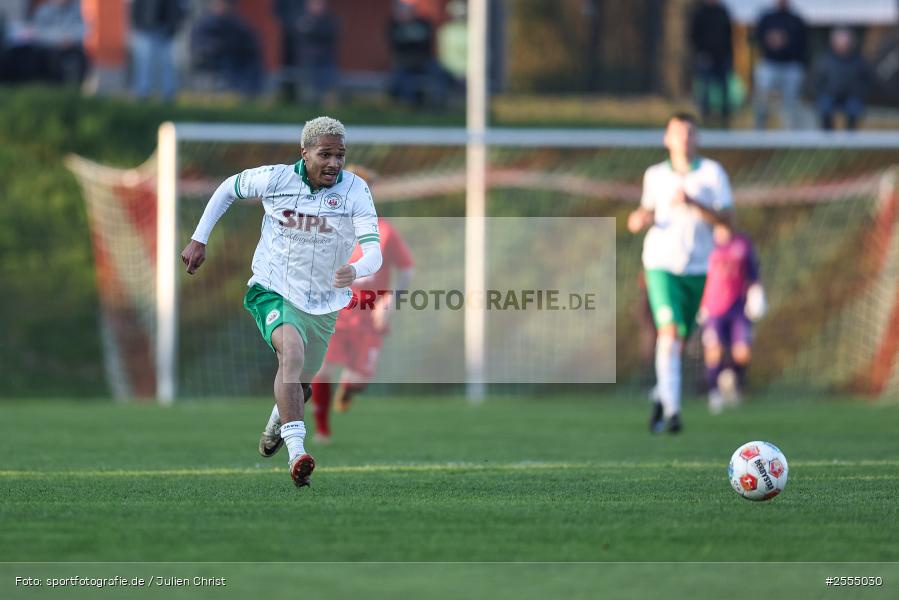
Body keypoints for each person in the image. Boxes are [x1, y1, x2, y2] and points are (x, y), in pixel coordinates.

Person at [180, 117, 383, 488]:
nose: (335, 163)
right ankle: (297, 454)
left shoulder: (355, 191)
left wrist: (355, 271)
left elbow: (374, 252)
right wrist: (199, 238)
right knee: (291, 354)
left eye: (340, 155)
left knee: (300, 379)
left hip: (324, 304)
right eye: (326, 154)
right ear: (304, 153)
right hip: (272, 289)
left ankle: (278, 419)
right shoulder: (275, 179)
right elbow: (228, 188)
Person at [627, 113, 733, 434]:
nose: (683, 139)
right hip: (660, 264)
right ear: (667, 139)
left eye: (689, 133)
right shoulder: (655, 175)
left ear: (697, 138)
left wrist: (694, 203)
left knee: (678, 341)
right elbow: (645, 211)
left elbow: (728, 221)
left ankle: (662, 395)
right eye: (677, 133)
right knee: (669, 333)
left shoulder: (713, 174)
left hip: (699, 267)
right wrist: (639, 219)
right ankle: (673, 413)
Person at [310, 166, 415, 443]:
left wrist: (391, 300)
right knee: (322, 368)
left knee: (358, 379)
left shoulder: (385, 231)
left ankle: (349, 389)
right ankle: (322, 429)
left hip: (369, 315)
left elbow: (406, 269)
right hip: (335, 311)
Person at [698, 222, 766, 414]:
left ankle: (730, 379)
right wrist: (699, 302)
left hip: (738, 308)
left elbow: (753, 272)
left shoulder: (742, 244)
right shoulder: (705, 244)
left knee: (742, 353)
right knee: (714, 351)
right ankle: (714, 393)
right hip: (713, 308)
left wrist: (756, 292)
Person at [753, 0, 808, 130]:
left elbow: (803, 45)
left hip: (790, 65)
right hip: (770, 63)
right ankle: (759, 129)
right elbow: (757, 38)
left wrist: (785, 43)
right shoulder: (767, 18)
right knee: (761, 94)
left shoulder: (796, 19)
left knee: (791, 102)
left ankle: (790, 133)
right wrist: (770, 41)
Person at [190, 0, 263, 96]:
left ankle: (251, 91)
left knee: (251, 61)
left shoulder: (235, 23)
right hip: (215, 59)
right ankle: (235, 90)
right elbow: (200, 46)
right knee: (227, 60)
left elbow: (248, 39)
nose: (223, 7)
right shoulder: (204, 24)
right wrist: (218, 46)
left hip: (236, 57)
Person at [812, 28, 872, 131]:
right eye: (839, 42)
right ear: (833, 43)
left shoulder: (859, 60)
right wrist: (821, 93)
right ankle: (827, 138)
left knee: (854, 107)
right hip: (830, 95)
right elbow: (816, 81)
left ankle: (850, 140)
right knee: (824, 106)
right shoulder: (825, 60)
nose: (842, 45)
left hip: (852, 96)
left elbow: (867, 80)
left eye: (845, 42)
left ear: (850, 43)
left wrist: (860, 93)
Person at [387, 1, 445, 107]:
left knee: (439, 73)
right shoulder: (393, 25)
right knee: (403, 81)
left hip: (424, 61)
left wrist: (408, 40)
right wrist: (414, 39)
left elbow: (426, 43)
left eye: (407, 10)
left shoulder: (424, 22)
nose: (404, 12)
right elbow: (397, 45)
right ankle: (410, 105)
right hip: (404, 63)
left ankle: (438, 104)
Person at [688, 0, 733, 127]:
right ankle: (705, 117)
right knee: (704, 89)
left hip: (722, 57)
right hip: (705, 57)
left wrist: (728, 55)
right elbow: (694, 34)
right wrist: (701, 52)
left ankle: (725, 118)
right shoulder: (700, 12)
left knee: (724, 89)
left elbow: (728, 35)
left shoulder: (723, 11)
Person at [130, 0, 186, 101]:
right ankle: (143, 93)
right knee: (144, 64)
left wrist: (173, 27)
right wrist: (137, 26)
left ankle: (168, 94)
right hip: (145, 30)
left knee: (167, 64)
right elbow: (135, 8)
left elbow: (178, 10)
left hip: (165, 31)